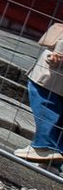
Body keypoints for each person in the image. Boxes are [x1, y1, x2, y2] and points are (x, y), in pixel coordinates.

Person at [21, 21, 63, 164]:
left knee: (44, 98)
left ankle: (45, 146)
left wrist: (60, 51)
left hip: (56, 68)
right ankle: (54, 162)